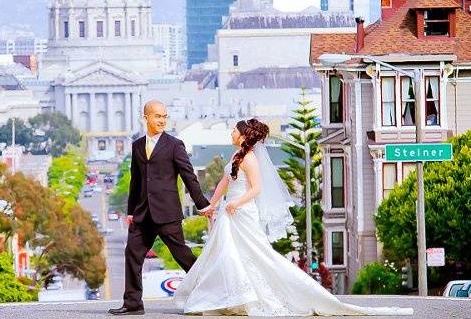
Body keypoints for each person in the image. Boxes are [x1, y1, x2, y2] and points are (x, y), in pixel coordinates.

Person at [174, 119, 414, 316]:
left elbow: (256, 189)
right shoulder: (236, 156)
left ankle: (254, 296)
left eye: (234, 130)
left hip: (243, 212)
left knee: (258, 255)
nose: (231, 133)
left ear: (244, 135)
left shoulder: (250, 159)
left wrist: (236, 203)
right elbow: (224, 182)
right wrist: (212, 205)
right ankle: (230, 297)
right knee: (226, 254)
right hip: (230, 212)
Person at [108, 100, 214, 316]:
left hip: (167, 212)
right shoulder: (137, 145)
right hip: (142, 213)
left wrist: (202, 203)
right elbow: (135, 181)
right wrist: (130, 211)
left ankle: (208, 294)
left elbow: (188, 176)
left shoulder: (175, 144)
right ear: (146, 117)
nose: (162, 120)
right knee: (132, 254)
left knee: (182, 254)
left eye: (165, 116)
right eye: (158, 116)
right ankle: (133, 304)